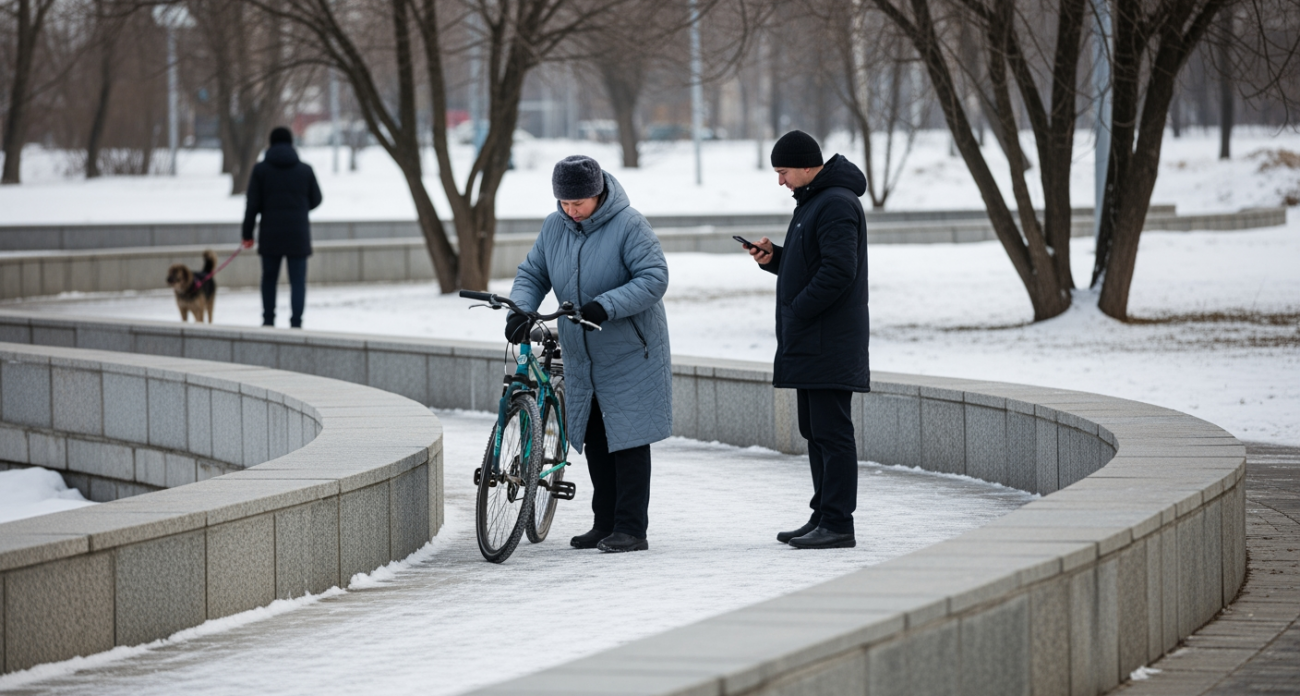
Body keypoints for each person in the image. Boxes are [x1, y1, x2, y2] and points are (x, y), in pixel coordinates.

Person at [508, 155, 672, 553]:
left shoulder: (629, 224)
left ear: (599, 194)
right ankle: (605, 523)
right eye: (564, 203)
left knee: (629, 440)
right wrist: (520, 309)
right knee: (595, 437)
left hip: (631, 350)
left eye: (578, 203)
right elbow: (533, 273)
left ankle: (632, 528)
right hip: (584, 353)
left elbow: (654, 278)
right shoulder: (555, 227)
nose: (571, 210)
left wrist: (606, 305)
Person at [746, 130, 870, 550]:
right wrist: (776, 258)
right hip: (813, 339)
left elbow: (838, 272)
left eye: (783, 172)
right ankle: (822, 514)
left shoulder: (834, 203)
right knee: (815, 430)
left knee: (831, 433)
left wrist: (796, 310)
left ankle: (838, 523)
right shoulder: (814, 202)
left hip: (827, 340)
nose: (780, 181)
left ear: (804, 166)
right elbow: (814, 264)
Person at [241, 126, 322, 328]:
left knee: (269, 279)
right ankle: (296, 323)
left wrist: (247, 234)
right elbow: (317, 199)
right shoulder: (305, 169)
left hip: (271, 234)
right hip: (298, 234)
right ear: (291, 143)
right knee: (297, 281)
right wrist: (300, 209)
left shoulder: (260, 170)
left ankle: (268, 321)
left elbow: (252, 205)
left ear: (271, 143)